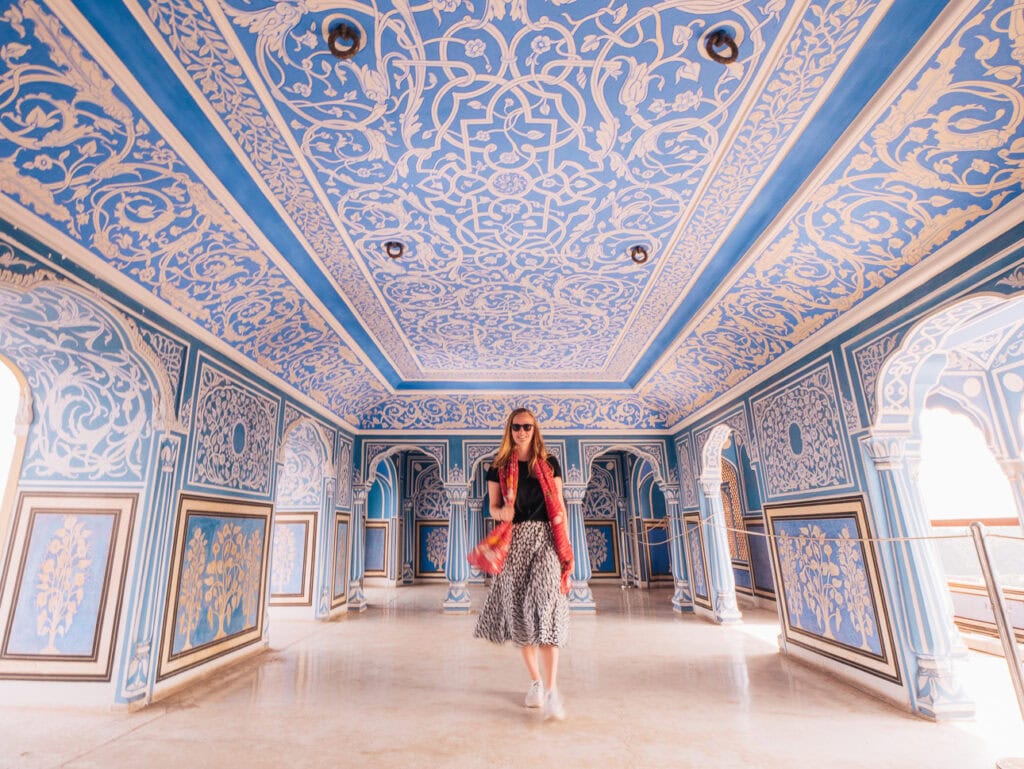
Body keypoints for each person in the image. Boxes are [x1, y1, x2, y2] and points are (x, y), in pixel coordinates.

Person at [472, 408, 574, 721]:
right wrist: (505, 512)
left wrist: (566, 552)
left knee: (546, 604)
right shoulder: (499, 467)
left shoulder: (549, 464)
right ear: (510, 430)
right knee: (519, 613)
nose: (522, 432)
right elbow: (492, 508)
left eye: (527, 427)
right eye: (516, 427)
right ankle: (536, 683)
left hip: (545, 538)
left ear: (534, 429)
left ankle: (554, 689)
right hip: (514, 541)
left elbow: (560, 507)